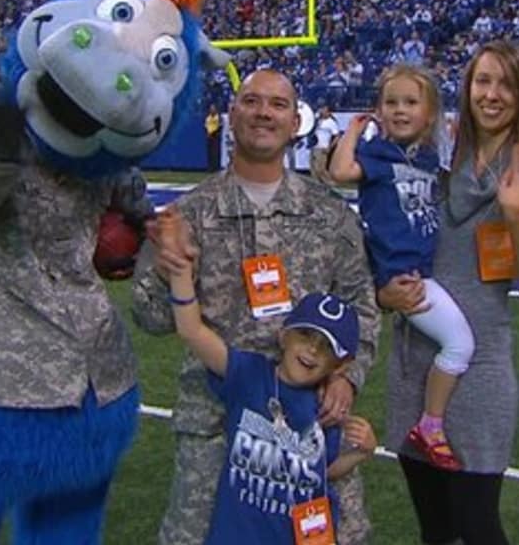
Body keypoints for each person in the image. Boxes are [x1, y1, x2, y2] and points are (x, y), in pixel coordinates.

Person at [132, 69, 381, 545]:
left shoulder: (329, 214)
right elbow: (150, 318)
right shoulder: (191, 213)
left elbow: (361, 306)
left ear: (295, 124)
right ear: (232, 116)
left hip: (310, 425)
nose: (264, 112)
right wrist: (169, 267)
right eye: (251, 101)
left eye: (278, 104)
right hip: (217, 426)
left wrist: (349, 376)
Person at [376, 40, 519, 545]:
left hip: (479, 370)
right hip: (415, 361)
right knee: (435, 530)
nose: (492, 94)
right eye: (483, 81)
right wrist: (383, 295)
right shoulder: (433, 162)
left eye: (506, 84)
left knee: (478, 528)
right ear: (467, 88)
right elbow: (389, 242)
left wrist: (516, 214)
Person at [156, 205, 377, 545]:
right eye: (306, 336)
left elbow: (322, 471)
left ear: (340, 365)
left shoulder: (326, 409)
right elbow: (191, 331)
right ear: (284, 335)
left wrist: (358, 454)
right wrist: (181, 270)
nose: (312, 351)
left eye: (326, 348)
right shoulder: (249, 375)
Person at [327, 65, 471, 471]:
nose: (399, 110)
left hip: (422, 269)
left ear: (429, 114)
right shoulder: (377, 154)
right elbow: (340, 173)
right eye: (391, 103)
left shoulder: (425, 157)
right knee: (461, 345)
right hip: (402, 276)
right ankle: (431, 424)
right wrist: (355, 130)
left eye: (411, 102)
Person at [310, 104, 340, 185]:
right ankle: (316, 186)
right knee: (313, 169)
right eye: (322, 110)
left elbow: (337, 136)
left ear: (329, 112)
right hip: (314, 147)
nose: (323, 112)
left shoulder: (331, 122)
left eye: (325, 111)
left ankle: (331, 183)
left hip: (323, 147)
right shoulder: (317, 120)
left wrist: (330, 147)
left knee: (320, 169)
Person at [204, 103, 222, 172]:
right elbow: (206, 126)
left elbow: (220, 126)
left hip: (215, 136)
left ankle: (216, 167)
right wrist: (208, 134)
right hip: (209, 137)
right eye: (211, 108)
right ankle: (210, 167)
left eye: (213, 108)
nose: (212, 110)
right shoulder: (208, 118)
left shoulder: (218, 117)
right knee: (210, 153)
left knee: (215, 152)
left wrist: (213, 133)